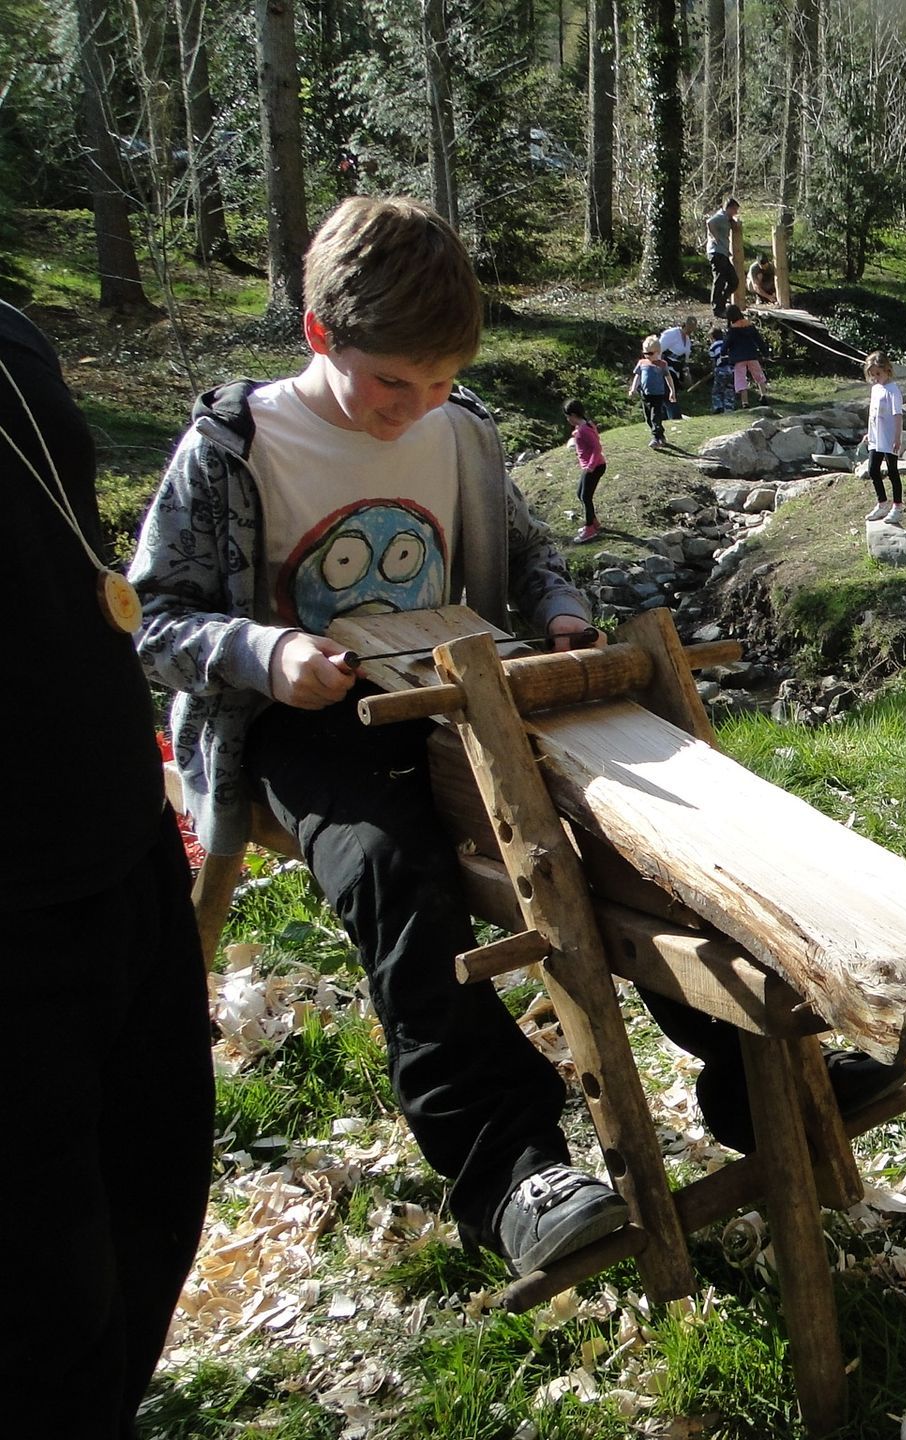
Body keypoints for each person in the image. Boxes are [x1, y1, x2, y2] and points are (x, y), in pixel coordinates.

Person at [131, 196, 632, 1283]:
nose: (418, 408)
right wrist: (270, 657)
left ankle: (757, 1066)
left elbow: (531, 551)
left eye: (442, 381)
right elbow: (154, 625)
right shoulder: (230, 449)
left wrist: (558, 612)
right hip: (306, 729)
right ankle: (512, 1175)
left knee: (629, 832)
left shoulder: (459, 430)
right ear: (320, 334)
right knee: (401, 884)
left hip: (458, 699)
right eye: (393, 382)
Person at [2, 299, 212, 1438]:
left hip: (122, 858)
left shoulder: (16, 340)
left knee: (156, 1189)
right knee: (42, 1295)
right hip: (14, 909)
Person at [863, 350, 905, 525]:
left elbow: (897, 415)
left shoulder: (893, 390)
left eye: (878, 374)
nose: (875, 378)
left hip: (889, 437)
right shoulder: (875, 389)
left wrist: (897, 437)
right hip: (876, 438)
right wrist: (869, 433)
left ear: (887, 369)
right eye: (872, 375)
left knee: (892, 471)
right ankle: (882, 503)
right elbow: (872, 414)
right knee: (873, 469)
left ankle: (897, 506)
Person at [565, 398, 607, 540]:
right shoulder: (585, 426)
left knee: (585, 497)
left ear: (573, 415)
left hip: (594, 467)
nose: (567, 419)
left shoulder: (584, 430)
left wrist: (590, 466)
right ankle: (594, 522)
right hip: (593, 466)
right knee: (580, 494)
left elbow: (597, 448)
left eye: (568, 416)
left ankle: (589, 529)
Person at [628, 336, 676, 449]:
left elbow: (668, 378)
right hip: (645, 395)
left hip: (658, 395)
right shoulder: (642, 363)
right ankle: (660, 435)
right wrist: (633, 388)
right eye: (645, 353)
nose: (647, 356)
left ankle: (655, 438)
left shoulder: (662, 365)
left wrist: (672, 391)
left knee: (655, 416)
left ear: (658, 352)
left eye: (650, 353)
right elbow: (638, 376)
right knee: (649, 418)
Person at [724, 303, 770, 405]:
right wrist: (765, 353)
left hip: (738, 358)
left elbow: (727, 343)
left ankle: (745, 402)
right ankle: (763, 395)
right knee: (759, 375)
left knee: (740, 378)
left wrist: (723, 352)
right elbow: (759, 340)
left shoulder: (732, 330)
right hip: (752, 355)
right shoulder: (749, 326)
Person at [706, 197, 740, 316]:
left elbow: (735, 228)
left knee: (733, 281)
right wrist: (715, 237)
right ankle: (717, 308)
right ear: (729, 208)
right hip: (716, 252)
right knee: (719, 280)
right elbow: (709, 222)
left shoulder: (727, 218)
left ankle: (721, 302)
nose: (736, 212)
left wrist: (733, 221)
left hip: (723, 253)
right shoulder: (720, 216)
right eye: (735, 209)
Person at [658, 316, 694, 418]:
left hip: (676, 372)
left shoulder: (687, 340)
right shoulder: (671, 334)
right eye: (690, 327)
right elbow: (658, 350)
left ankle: (665, 418)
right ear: (684, 325)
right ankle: (674, 417)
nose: (691, 330)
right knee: (668, 395)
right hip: (665, 370)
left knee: (671, 395)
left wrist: (686, 373)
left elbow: (685, 359)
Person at [707, 320, 735, 412]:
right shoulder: (727, 343)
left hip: (720, 370)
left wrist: (713, 370)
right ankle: (729, 407)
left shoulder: (713, 346)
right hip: (732, 369)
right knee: (729, 389)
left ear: (712, 337)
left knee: (717, 391)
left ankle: (718, 407)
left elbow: (713, 360)